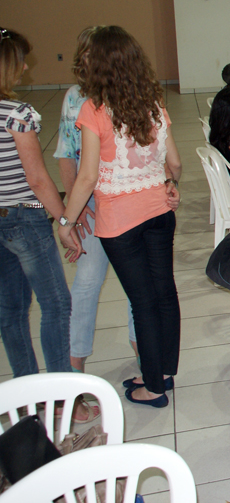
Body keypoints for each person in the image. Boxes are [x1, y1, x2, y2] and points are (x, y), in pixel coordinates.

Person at [59, 26, 183, 408]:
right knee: (164, 292)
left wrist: (66, 221)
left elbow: (87, 176)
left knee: (142, 301)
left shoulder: (93, 110)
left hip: (119, 221)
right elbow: (175, 164)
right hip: (159, 213)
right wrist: (166, 182)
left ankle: (153, 387)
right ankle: (164, 371)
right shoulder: (153, 104)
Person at [56, 27, 137, 374]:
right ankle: (74, 364)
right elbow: (66, 156)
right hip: (89, 206)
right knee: (87, 281)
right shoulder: (75, 98)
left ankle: (143, 352)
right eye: (88, 54)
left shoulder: (130, 93)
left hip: (129, 204)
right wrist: (74, 211)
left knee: (137, 285)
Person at [0, 28, 78, 382]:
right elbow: (37, 179)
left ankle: (27, 391)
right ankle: (61, 396)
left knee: (11, 311)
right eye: (20, 61)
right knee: (56, 305)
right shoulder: (18, 114)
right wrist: (65, 221)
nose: (24, 67)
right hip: (24, 220)